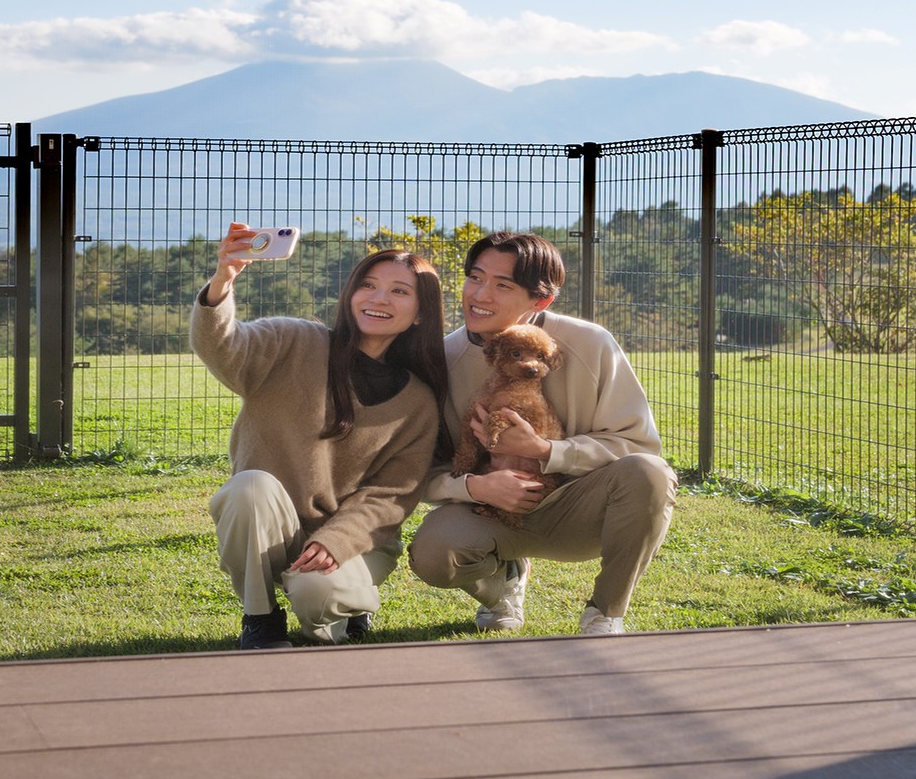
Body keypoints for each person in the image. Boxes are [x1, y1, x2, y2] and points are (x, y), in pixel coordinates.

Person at [192, 224, 448, 649]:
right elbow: (223, 348)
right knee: (247, 488)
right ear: (350, 295)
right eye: (367, 285)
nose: (379, 298)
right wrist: (223, 281)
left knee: (318, 600)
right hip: (272, 527)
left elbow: (391, 493)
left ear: (421, 312)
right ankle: (260, 620)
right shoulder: (292, 341)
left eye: (399, 291)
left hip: (352, 537)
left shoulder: (418, 401)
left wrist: (338, 540)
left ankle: (351, 606)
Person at [408, 231, 677, 635]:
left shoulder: (590, 343)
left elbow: (639, 444)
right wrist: (477, 488)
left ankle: (605, 614)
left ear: (542, 300)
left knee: (649, 473)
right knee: (433, 552)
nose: (480, 295)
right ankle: (503, 587)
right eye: (475, 277)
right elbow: (420, 468)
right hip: (489, 509)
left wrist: (546, 450)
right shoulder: (440, 360)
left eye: (503, 285)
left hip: (579, 505)